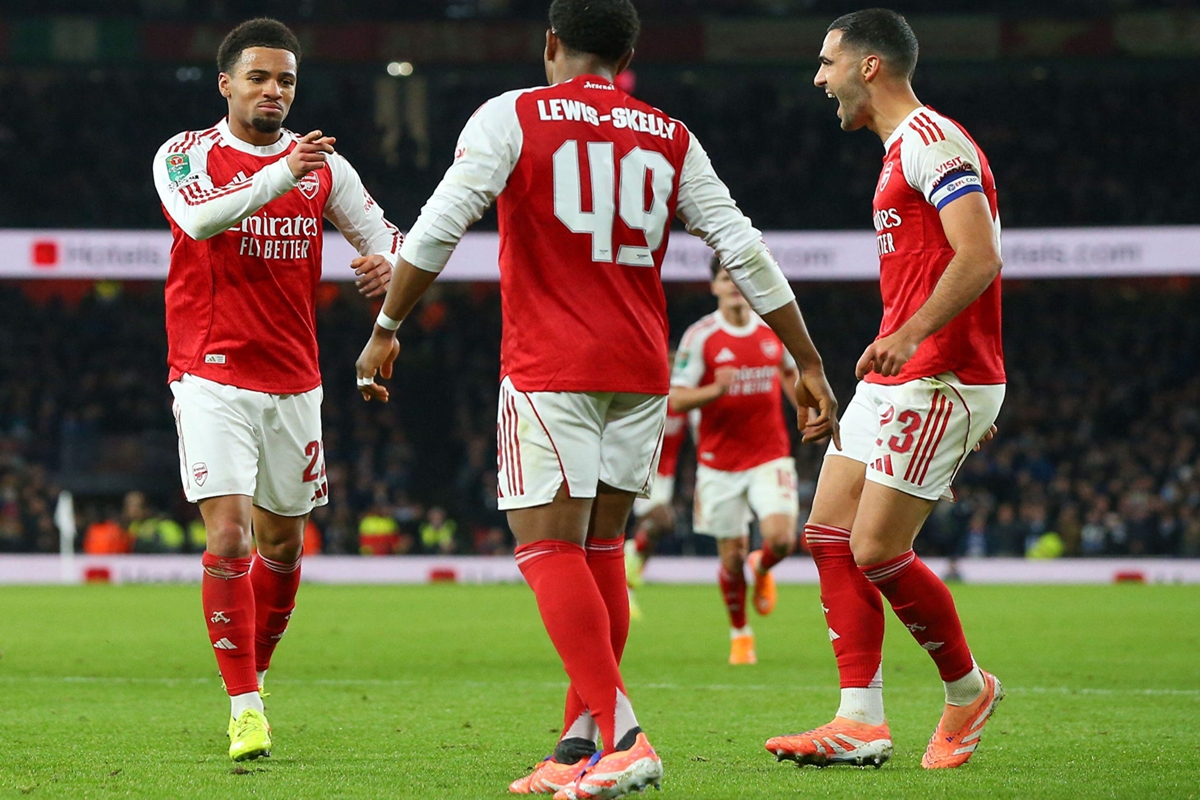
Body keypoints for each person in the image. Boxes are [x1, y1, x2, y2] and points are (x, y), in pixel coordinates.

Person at [355, 1, 839, 795]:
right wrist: (808, 358)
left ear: (551, 43)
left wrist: (386, 326)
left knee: (545, 548)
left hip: (552, 364)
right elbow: (742, 247)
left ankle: (624, 734)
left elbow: (440, 226)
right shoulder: (670, 134)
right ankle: (578, 744)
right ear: (626, 56)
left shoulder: (512, 115)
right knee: (601, 548)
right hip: (642, 369)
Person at [152, 18, 402, 762]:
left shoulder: (325, 167)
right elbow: (199, 218)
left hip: (295, 380)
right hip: (210, 372)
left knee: (284, 545)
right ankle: (245, 708)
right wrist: (281, 174)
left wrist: (389, 266)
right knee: (230, 536)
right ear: (225, 83)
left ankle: (254, 676)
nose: (273, 90)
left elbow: (389, 237)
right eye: (258, 77)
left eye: (286, 80)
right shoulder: (185, 153)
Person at [765, 9, 1006, 770]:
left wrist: (914, 338)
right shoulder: (897, 151)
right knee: (827, 534)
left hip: (940, 373)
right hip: (902, 371)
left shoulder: (934, 141)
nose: (819, 78)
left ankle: (968, 691)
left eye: (827, 62)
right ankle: (859, 721)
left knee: (875, 548)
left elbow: (980, 255)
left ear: (868, 66)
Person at [670, 257, 803, 665]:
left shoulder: (772, 328)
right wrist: (714, 390)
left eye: (739, 278)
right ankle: (740, 634)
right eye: (725, 279)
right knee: (730, 557)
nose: (733, 286)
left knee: (781, 540)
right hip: (719, 464)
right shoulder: (701, 336)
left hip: (769, 455)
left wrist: (804, 407)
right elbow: (676, 398)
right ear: (714, 287)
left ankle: (761, 566)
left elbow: (790, 372)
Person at [623, 361, 686, 620]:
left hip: (667, 476)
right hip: (643, 469)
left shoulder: (682, 399)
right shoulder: (647, 396)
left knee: (651, 533)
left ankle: (627, 587)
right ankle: (626, 557)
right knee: (664, 521)